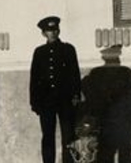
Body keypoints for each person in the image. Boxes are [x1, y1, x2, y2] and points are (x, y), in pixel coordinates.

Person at [31, 15, 83, 163]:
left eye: (55, 29)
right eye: (49, 30)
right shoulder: (39, 52)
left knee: (68, 136)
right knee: (47, 136)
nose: (52, 33)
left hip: (65, 101)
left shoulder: (68, 49)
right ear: (43, 33)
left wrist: (76, 95)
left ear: (58, 31)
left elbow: (75, 74)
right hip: (46, 102)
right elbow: (34, 78)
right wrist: (34, 101)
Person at [82, 45, 131, 163]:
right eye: (115, 58)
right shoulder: (124, 72)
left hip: (111, 121)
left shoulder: (98, 73)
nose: (117, 60)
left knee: (110, 153)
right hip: (119, 121)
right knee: (117, 153)